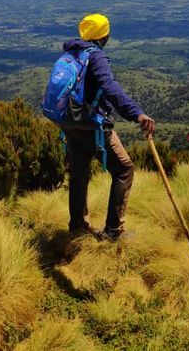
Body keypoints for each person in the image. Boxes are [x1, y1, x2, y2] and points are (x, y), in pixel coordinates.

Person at [62, 13, 155, 241]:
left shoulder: (72, 53)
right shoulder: (96, 57)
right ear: (104, 35)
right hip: (92, 124)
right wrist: (137, 113)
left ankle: (78, 227)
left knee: (79, 175)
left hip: (70, 122)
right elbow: (111, 88)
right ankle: (113, 232)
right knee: (124, 169)